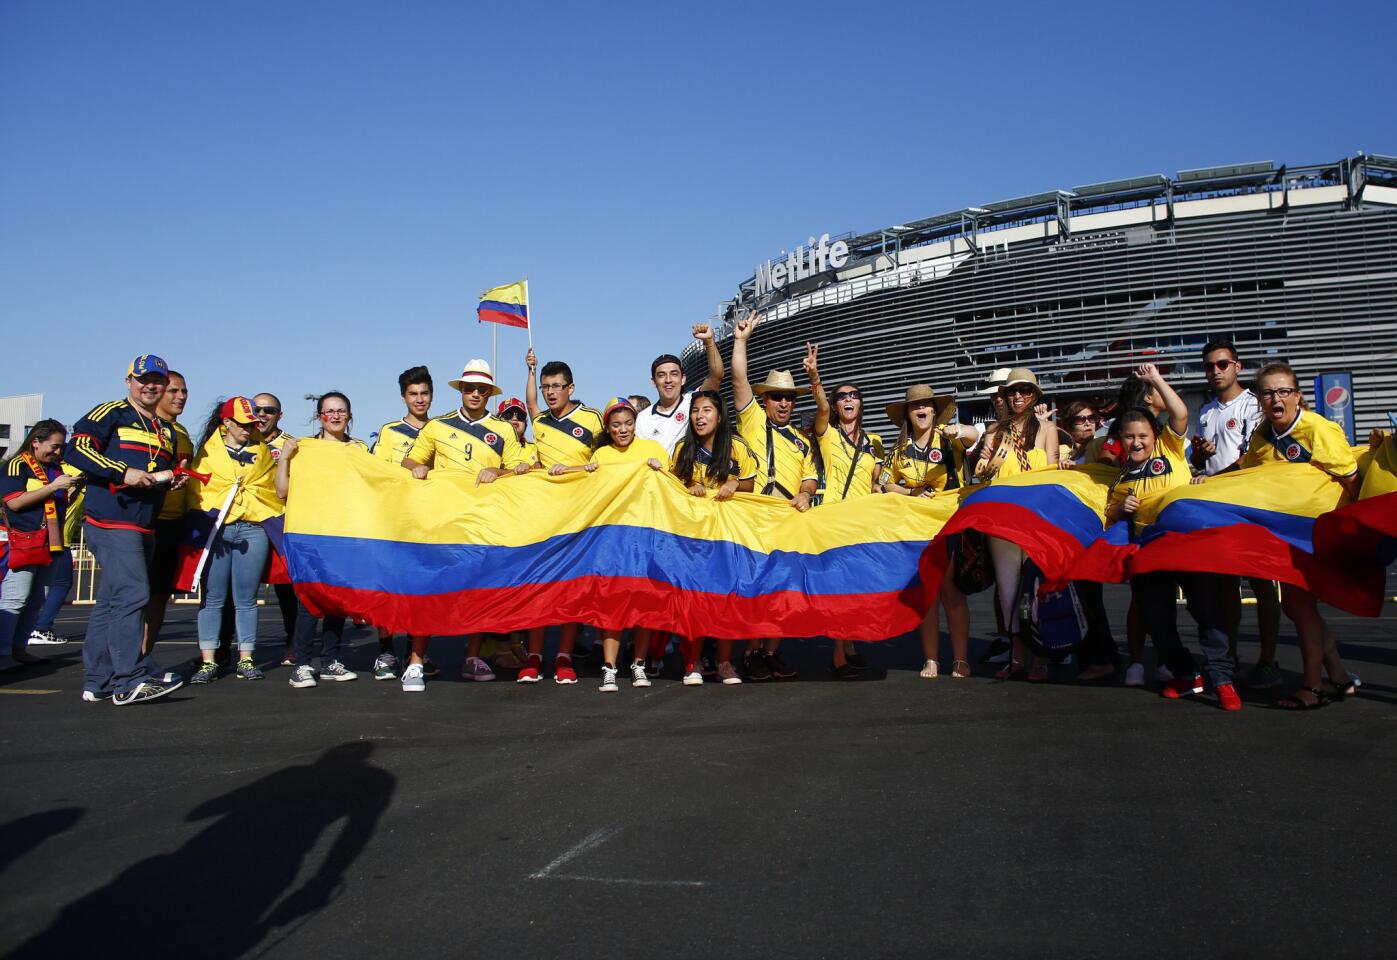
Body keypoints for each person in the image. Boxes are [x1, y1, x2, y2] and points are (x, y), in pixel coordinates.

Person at [1106, 365, 1239, 710]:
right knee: (1155, 616)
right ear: (1121, 439)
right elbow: (1109, 514)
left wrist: (1155, 381)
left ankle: (1222, 678)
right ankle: (1185, 673)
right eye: (1129, 437)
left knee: (1205, 610)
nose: (1136, 443)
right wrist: (1121, 510)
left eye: (1143, 436)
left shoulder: (1171, 447)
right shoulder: (1120, 481)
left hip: (1188, 542)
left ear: (1155, 436)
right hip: (1150, 549)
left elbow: (1179, 412)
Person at [1231, 361, 1360, 709]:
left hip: (1316, 533)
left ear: (1298, 396)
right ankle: (1340, 677)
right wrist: (1205, 482)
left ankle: (1313, 687)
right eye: (1268, 392)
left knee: (1299, 606)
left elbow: (1352, 481)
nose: (1276, 398)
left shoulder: (1318, 431)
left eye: (1284, 391)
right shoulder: (1263, 433)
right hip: (1285, 534)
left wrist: (1352, 536)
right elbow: (1246, 471)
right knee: (1298, 606)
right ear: (1259, 398)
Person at [64, 354, 185, 704]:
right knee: (133, 595)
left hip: (143, 523)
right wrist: (122, 472)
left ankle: (98, 680)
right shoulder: (111, 412)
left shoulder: (164, 430)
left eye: (157, 381)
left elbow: (152, 472)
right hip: (113, 520)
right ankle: (129, 678)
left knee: (112, 600)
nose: (151, 386)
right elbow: (78, 449)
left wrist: (168, 481)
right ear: (128, 380)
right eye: (143, 379)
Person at [403, 360, 529, 690]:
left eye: (481, 389)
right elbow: (409, 459)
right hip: (440, 521)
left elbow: (520, 468)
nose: (475, 393)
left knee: (477, 590)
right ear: (461, 390)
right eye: (469, 388)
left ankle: (472, 658)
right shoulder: (437, 426)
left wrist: (497, 472)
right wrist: (416, 467)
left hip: (481, 523)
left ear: (489, 393)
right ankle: (416, 661)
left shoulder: (503, 429)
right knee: (428, 590)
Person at [553, 397, 667, 691]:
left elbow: (671, 487)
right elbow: (588, 477)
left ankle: (638, 664)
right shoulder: (602, 453)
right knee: (612, 603)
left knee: (645, 604)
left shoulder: (653, 450)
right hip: (612, 542)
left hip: (646, 537)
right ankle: (610, 667)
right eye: (616, 425)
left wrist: (660, 470)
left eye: (628, 423)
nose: (623, 429)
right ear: (608, 427)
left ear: (635, 423)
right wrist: (562, 470)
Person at [1189, 338, 1283, 689]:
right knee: (1225, 587)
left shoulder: (1254, 406)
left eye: (1222, 364)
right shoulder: (1207, 411)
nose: (1215, 371)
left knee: (1262, 585)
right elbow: (1200, 463)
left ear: (1237, 366)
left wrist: (1218, 476)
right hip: (1218, 508)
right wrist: (1200, 455)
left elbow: (1251, 458)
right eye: (1209, 366)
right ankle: (1229, 658)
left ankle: (1269, 659)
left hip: (1252, 504)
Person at [729, 314, 818, 680]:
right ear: (764, 400)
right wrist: (741, 341)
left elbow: (811, 478)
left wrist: (805, 494)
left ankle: (771, 651)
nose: (783, 403)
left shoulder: (802, 440)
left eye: (788, 399)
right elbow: (738, 379)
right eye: (776, 397)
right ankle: (750, 653)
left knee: (785, 589)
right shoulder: (752, 420)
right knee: (756, 587)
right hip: (754, 515)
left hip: (788, 517)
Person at [878, 384, 976, 681]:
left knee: (952, 593)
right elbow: (884, 483)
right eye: (914, 405)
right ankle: (931, 659)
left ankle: (961, 660)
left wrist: (958, 431)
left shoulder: (950, 439)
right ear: (908, 413)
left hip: (949, 526)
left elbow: (974, 436)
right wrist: (910, 492)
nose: (921, 409)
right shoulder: (898, 451)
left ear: (934, 410)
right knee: (928, 596)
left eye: (926, 404)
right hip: (915, 532)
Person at [522, 350, 605, 684]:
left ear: (571, 388)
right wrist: (529, 371)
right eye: (545, 387)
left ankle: (564, 656)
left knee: (571, 589)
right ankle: (534, 656)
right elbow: (530, 406)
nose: (550, 392)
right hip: (543, 516)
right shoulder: (540, 422)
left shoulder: (593, 419)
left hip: (579, 517)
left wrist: (568, 469)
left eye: (556, 386)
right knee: (538, 587)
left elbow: (603, 464)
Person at [970, 367, 1058, 681]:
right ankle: (1017, 657)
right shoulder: (994, 431)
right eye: (1012, 391)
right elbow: (980, 472)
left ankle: (1041, 658)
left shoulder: (1047, 429)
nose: (1018, 396)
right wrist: (992, 462)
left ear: (1034, 395)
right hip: (1003, 520)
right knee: (1009, 592)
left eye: (1025, 391)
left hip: (1035, 519)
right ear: (1005, 396)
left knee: (1035, 591)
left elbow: (1051, 473)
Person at [187, 398, 282, 684]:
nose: (249, 428)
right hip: (217, 528)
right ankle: (208, 661)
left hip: (253, 527)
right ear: (226, 422)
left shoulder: (262, 450)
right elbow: (200, 489)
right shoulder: (206, 452)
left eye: (252, 423)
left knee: (246, 599)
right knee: (213, 597)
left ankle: (247, 658)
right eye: (243, 423)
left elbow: (269, 488)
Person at [277, 392, 367, 689]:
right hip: (310, 534)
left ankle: (330, 661)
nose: (336, 416)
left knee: (336, 601)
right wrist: (285, 459)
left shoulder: (359, 449)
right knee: (309, 601)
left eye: (341, 410)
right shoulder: (305, 449)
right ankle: (302, 664)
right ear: (319, 416)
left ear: (349, 415)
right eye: (329, 411)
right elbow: (282, 491)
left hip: (343, 534)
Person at [670, 390, 757, 685]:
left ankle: (724, 663)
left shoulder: (737, 447)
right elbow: (671, 486)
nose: (700, 416)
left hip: (728, 536)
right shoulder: (682, 448)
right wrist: (690, 485)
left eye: (707, 410)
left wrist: (735, 482)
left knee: (727, 599)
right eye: (695, 410)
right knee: (693, 598)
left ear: (720, 416)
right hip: (693, 538)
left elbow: (751, 483)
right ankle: (692, 663)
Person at [368, 366, 436, 682]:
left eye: (424, 393)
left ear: (432, 395)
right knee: (389, 590)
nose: (419, 399)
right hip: (394, 520)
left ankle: (416, 655)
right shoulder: (390, 431)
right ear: (403, 397)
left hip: (428, 523)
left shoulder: (441, 430)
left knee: (422, 591)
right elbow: (378, 474)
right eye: (413, 394)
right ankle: (385, 651)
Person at [1, 421, 77, 671]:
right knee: (16, 598)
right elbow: (14, 503)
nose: (57, 452)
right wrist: (53, 487)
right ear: (36, 441)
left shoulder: (56, 468)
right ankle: (3, 652)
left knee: (37, 599)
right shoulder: (16, 465)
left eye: (60, 447)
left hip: (50, 542)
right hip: (22, 540)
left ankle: (19, 648)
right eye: (54, 446)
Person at [143, 369, 193, 655]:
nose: (181, 396)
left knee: (160, 595)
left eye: (184, 391)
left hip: (176, 522)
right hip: (149, 520)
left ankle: (144, 658)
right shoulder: (145, 427)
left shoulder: (182, 432)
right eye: (173, 391)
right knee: (137, 596)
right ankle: (125, 664)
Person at [251, 392, 299, 664]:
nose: (262, 414)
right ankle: (222, 650)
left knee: (286, 590)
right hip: (248, 522)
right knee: (239, 590)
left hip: (280, 522)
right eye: (256, 409)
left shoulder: (291, 445)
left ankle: (292, 642)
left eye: (269, 410)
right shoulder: (243, 439)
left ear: (280, 414)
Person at [635, 324, 725, 456]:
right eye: (661, 375)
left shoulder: (694, 401)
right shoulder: (643, 419)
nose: (668, 380)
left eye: (674, 374)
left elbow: (716, 376)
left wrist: (709, 342)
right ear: (653, 382)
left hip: (693, 475)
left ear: (683, 379)